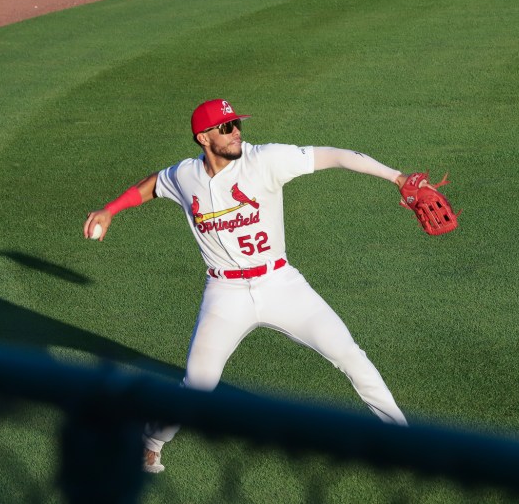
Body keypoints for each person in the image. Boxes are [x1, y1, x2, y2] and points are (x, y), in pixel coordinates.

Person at [83, 99, 410, 474]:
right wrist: (110, 209)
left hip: (281, 284)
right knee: (199, 386)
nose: (236, 131)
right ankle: (152, 441)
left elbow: (334, 155)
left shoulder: (265, 159)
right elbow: (153, 185)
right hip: (225, 295)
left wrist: (397, 178)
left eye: (237, 123)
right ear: (203, 138)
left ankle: (404, 441)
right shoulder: (186, 175)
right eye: (226, 127)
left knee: (351, 356)